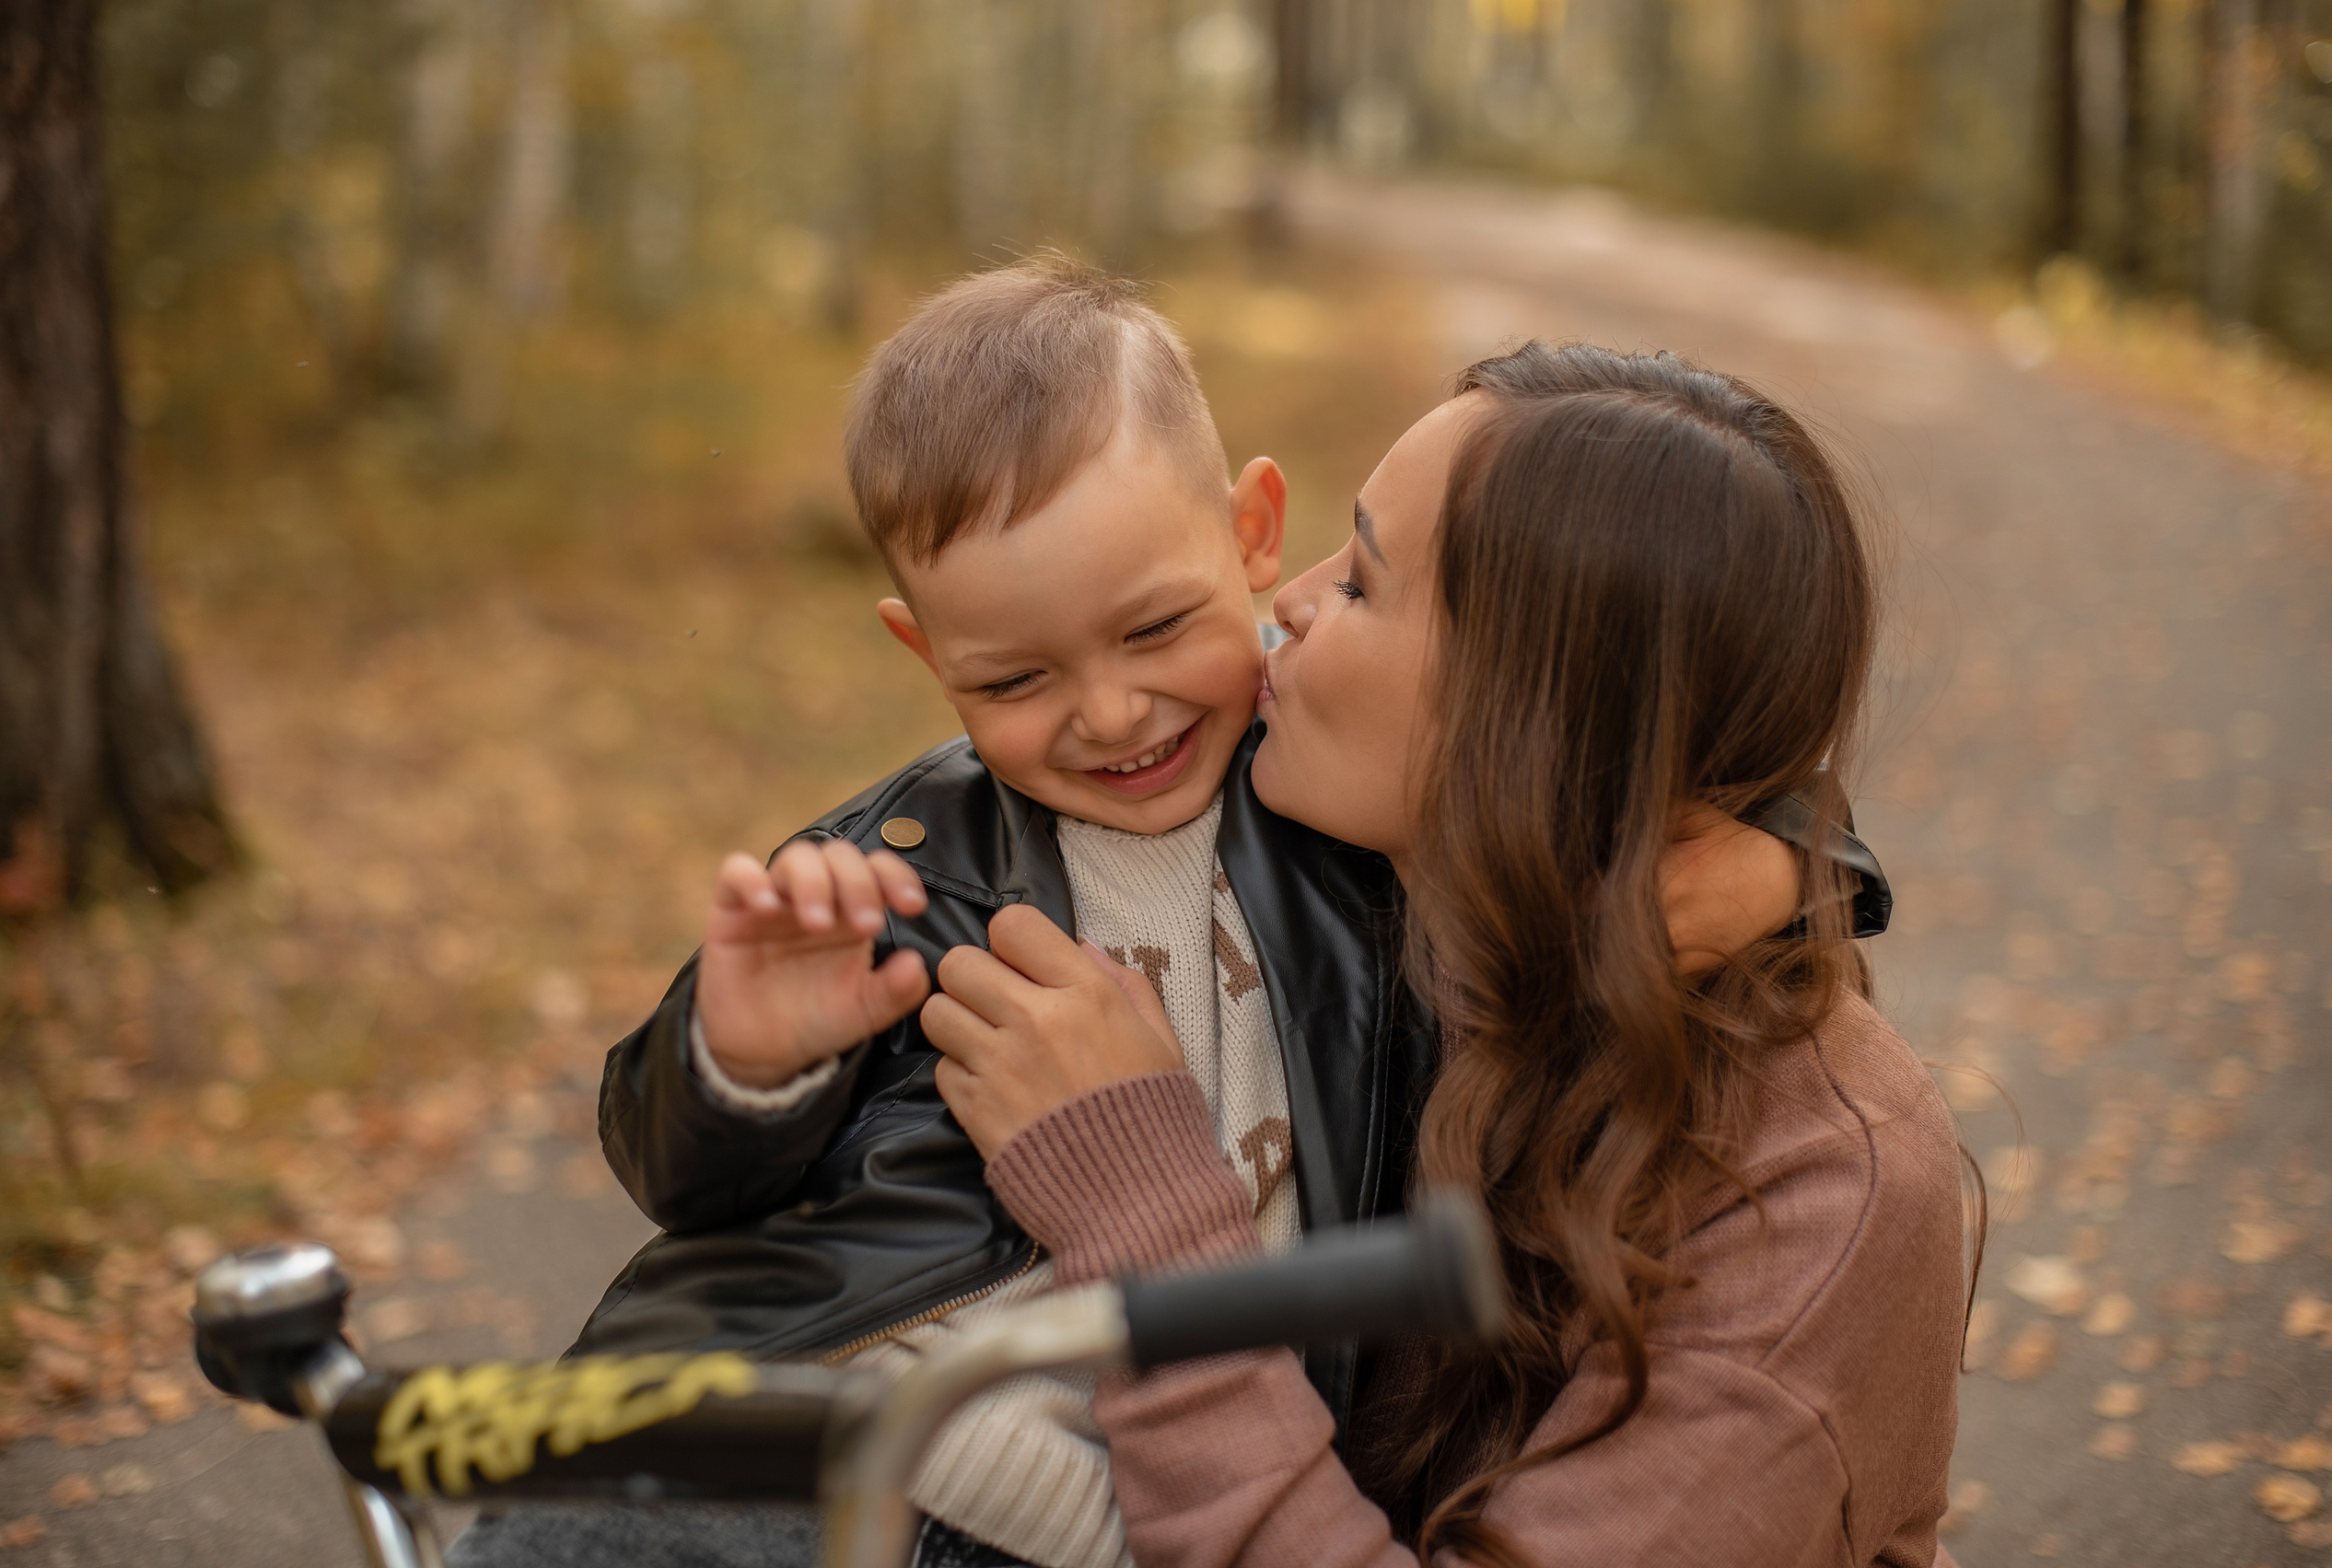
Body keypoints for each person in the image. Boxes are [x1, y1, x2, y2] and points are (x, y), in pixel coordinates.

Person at [451, 265, 1889, 1568]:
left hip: (1104, 1509)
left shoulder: (1350, 820)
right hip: (807, 1422)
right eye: (1013, 681)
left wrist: (1784, 871)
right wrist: (740, 1063)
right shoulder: (911, 867)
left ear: (1249, 533)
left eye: (1153, 631)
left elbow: (1656, 745)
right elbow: (685, 1178)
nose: (1112, 711)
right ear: (929, 655)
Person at [916, 343, 1968, 1568]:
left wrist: (1150, 1221)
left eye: (1360, 581)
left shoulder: (1822, 1186)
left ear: (1523, 717)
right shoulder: (1388, 889)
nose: (1290, 602)